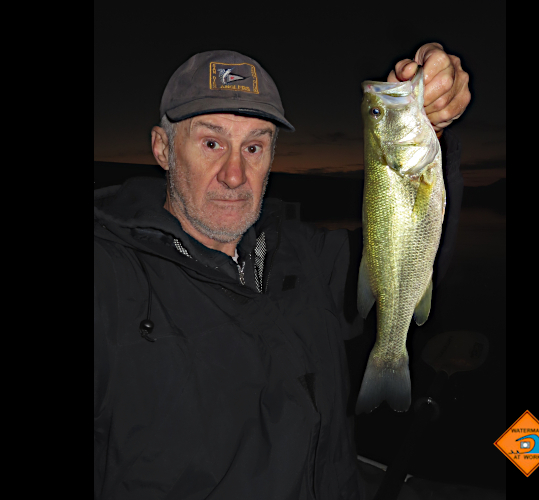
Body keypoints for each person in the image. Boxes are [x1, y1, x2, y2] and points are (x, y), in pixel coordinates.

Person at [94, 44, 471, 499]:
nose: (234, 174)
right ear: (163, 149)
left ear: (273, 155)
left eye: (254, 146)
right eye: (212, 143)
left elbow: (422, 254)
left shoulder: (305, 253)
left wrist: (435, 128)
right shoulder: (110, 277)